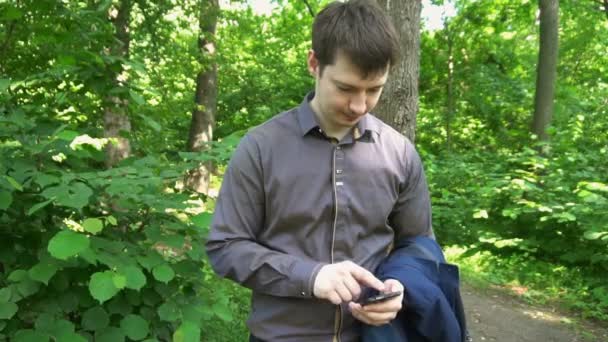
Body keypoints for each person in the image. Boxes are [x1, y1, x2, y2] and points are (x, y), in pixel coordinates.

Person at [205, 1, 434, 341]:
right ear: (314, 63)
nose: (359, 105)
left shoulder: (399, 153)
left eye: (374, 90)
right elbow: (225, 246)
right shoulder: (261, 147)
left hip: (373, 337)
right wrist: (309, 277)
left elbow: (418, 243)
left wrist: (402, 284)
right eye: (345, 88)